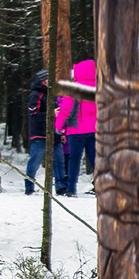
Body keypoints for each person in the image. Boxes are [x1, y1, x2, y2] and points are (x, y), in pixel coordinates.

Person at [54, 59, 97, 197]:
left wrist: (58, 127)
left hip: (76, 130)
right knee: (96, 159)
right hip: (95, 129)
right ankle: (101, 187)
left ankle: (71, 189)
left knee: (74, 160)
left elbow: (65, 110)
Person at [24, 69, 66, 195]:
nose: (49, 82)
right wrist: (51, 114)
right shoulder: (35, 95)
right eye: (47, 79)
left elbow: (59, 115)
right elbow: (34, 115)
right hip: (39, 134)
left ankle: (61, 187)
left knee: (59, 161)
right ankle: (29, 186)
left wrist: (61, 132)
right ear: (41, 80)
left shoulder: (52, 95)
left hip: (54, 134)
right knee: (35, 161)